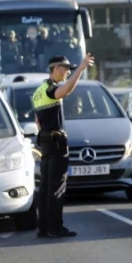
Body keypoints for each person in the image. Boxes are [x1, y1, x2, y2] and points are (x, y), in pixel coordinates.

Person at [32, 54, 94, 238]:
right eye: (66, 68)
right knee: (56, 186)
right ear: (56, 67)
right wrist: (81, 70)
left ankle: (43, 227)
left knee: (45, 187)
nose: (68, 72)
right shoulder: (51, 88)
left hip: (45, 140)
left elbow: (37, 120)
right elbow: (65, 91)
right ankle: (55, 227)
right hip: (56, 142)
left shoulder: (39, 90)